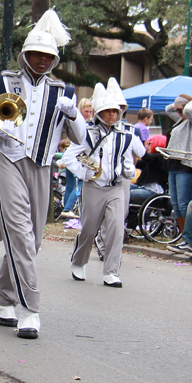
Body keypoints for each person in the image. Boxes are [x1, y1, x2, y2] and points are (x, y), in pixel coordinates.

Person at [0, 10, 87, 339]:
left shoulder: (65, 90)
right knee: (19, 235)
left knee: (34, 240)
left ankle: (1, 298)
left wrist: (74, 114)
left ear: (54, 60)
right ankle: (30, 308)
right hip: (10, 160)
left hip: (42, 165)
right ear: (25, 55)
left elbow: (83, 138)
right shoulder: (3, 81)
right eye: (36, 55)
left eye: (47, 56)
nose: (41, 61)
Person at [64, 79, 137, 288]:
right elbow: (69, 158)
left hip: (115, 188)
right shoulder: (87, 133)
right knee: (89, 229)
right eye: (107, 111)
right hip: (93, 187)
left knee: (116, 229)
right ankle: (78, 261)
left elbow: (128, 162)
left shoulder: (125, 136)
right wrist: (86, 174)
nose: (112, 114)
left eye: (115, 111)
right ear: (99, 113)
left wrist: (128, 170)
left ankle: (111, 272)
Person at [164, 95, 192, 230]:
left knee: (184, 203)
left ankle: (190, 235)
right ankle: (183, 234)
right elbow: (168, 109)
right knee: (176, 203)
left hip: (188, 166)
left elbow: (188, 111)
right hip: (174, 164)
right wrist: (178, 104)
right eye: (177, 111)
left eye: (180, 110)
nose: (178, 113)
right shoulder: (181, 120)